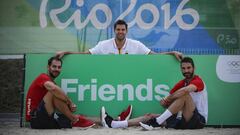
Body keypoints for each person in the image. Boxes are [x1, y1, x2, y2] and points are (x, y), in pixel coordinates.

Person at [101, 57, 208, 130]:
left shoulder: (198, 81)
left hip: (198, 121)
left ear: (194, 68)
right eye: (183, 68)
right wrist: (165, 102)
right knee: (149, 116)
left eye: (189, 68)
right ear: (181, 69)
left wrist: (169, 98)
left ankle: (157, 122)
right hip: (182, 119)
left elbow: (184, 91)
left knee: (184, 94)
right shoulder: (181, 83)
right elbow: (169, 103)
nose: (186, 71)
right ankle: (114, 124)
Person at [25, 56, 133, 129]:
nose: (56, 69)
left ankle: (113, 121)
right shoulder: (43, 77)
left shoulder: (51, 83)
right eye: (54, 67)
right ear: (48, 67)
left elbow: (58, 99)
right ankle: (74, 119)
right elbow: (53, 90)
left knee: (78, 116)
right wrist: (70, 102)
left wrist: (68, 106)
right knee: (56, 93)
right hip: (35, 120)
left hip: (47, 120)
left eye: (59, 67)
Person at [56, 19, 183, 61]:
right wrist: (67, 52)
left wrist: (172, 53)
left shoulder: (136, 45)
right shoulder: (103, 45)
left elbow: (154, 57)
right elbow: (85, 55)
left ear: (126, 31)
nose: (120, 32)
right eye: (118, 30)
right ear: (114, 30)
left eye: (123, 30)